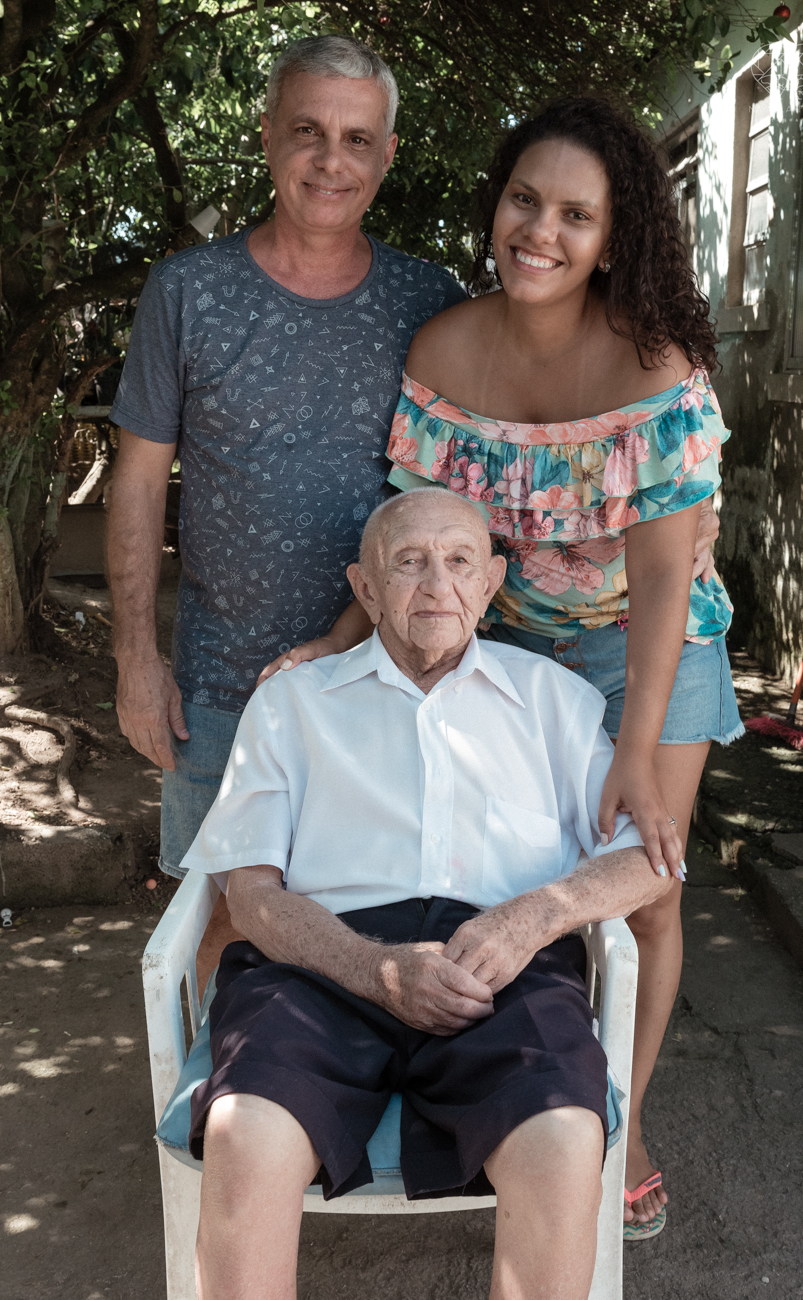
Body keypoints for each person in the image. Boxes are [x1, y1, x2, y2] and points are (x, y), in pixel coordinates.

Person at [378, 99, 745, 1238]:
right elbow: (418, 525)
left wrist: (634, 747)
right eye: (524, 200)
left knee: (642, 886)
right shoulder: (444, 347)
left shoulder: (649, 361)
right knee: (515, 876)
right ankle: (529, 1101)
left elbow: (667, 572)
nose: (539, 230)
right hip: (514, 643)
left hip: (653, 638)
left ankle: (621, 1122)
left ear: (613, 234)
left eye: (575, 214)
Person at [179, 489, 672, 1300]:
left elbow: (650, 860)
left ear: (490, 583)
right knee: (247, 1134)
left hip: (504, 965)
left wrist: (538, 914)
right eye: (408, 563)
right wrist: (373, 971)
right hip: (321, 965)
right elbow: (253, 896)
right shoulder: (293, 704)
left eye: (458, 561)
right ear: (366, 589)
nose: (436, 584)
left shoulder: (551, 700)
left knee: (562, 1135)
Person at [105, 36, 464, 966]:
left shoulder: (429, 302)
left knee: (377, 917)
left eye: (356, 138)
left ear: (387, 155)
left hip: (391, 680)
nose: (329, 159)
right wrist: (136, 659)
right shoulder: (187, 291)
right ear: (267, 136)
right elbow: (139, 482)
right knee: (218, 918)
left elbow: (469, 477)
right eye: (306, 130)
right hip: (222, 686)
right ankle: (216, 1105)